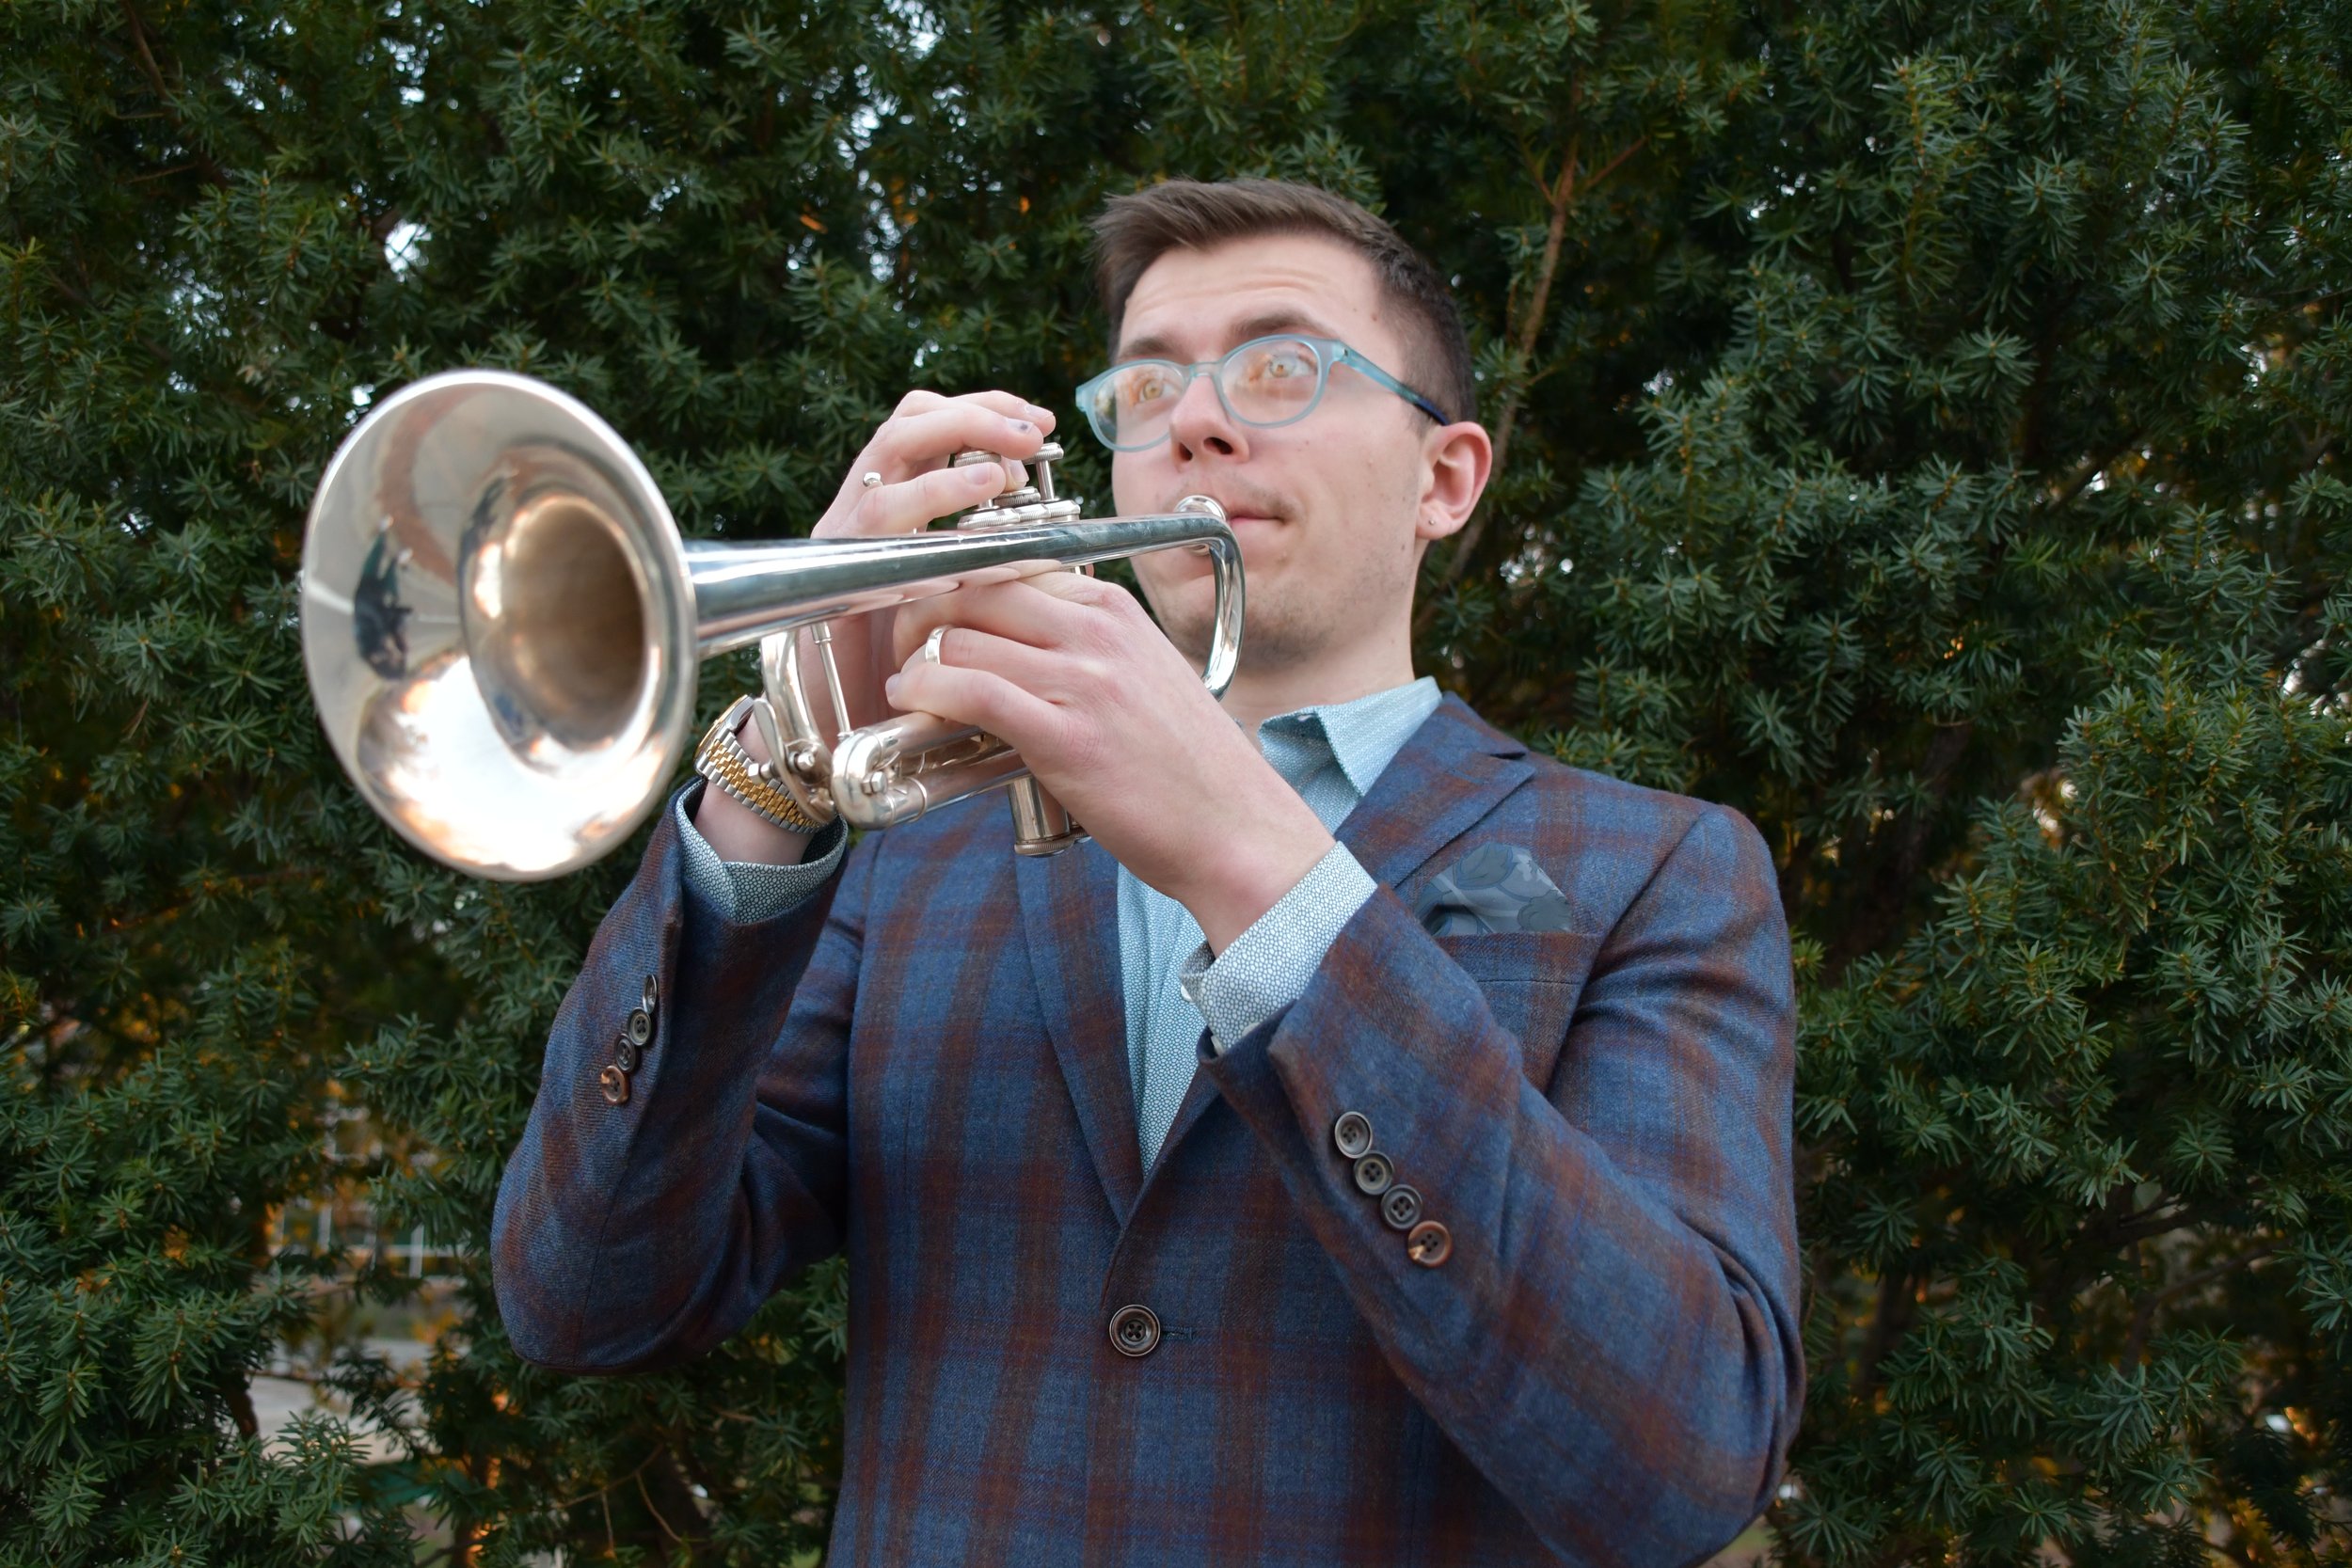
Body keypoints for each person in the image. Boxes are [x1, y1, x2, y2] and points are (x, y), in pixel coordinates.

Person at [491, 177, 1803, 1566]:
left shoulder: (1656, 871)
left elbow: (1687, 1458)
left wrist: (1266, 875)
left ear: (1446, 477)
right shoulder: (916, 863)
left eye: (1283, 366)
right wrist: (775, 772)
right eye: (1143, 388)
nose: (1196, 422)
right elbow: (590, 1298)